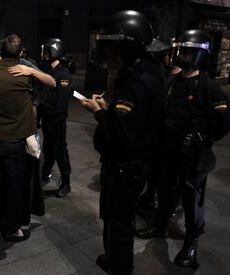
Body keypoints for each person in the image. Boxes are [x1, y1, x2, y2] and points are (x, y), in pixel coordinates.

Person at [135, 29, 230, 269]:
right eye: (180, 50)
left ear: (198, 55)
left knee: (191, 200)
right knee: (165, 193)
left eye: (186, 52)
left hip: (193, 155)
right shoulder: (173, 82)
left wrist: (203, 139)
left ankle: (191, 242)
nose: (180, 56)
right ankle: (159, 225)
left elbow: (223, 122)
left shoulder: (209, 88)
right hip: (169, 150)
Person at [80, 10, 164, 275]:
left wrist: (99, 112)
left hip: (125, 167)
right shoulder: (147, 73)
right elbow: (132, 119)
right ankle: (116, 261)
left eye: (115, 48)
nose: (112, 55)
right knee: (117, 220)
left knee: (119, 224)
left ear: (127, 46)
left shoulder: (138, 80)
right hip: (132, 165)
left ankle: (120, 267)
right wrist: (110, 108)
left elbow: (121, 132)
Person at [0, 34, 37, 242]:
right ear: (21, 54)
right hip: (13, 141)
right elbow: (50, 82)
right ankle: (11, 228)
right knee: (14, 186)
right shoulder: (23, 75)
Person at [40, 38, 72, 198]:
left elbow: (62, 102)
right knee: (48, 149)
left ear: (54, 52)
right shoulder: (50, 71)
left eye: (47, 51)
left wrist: (58, 123)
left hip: (56, 121)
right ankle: (45, 173)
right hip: (47, 120)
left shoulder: (63, 73)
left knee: (60, 151)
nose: (44, 54)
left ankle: (66, 183)